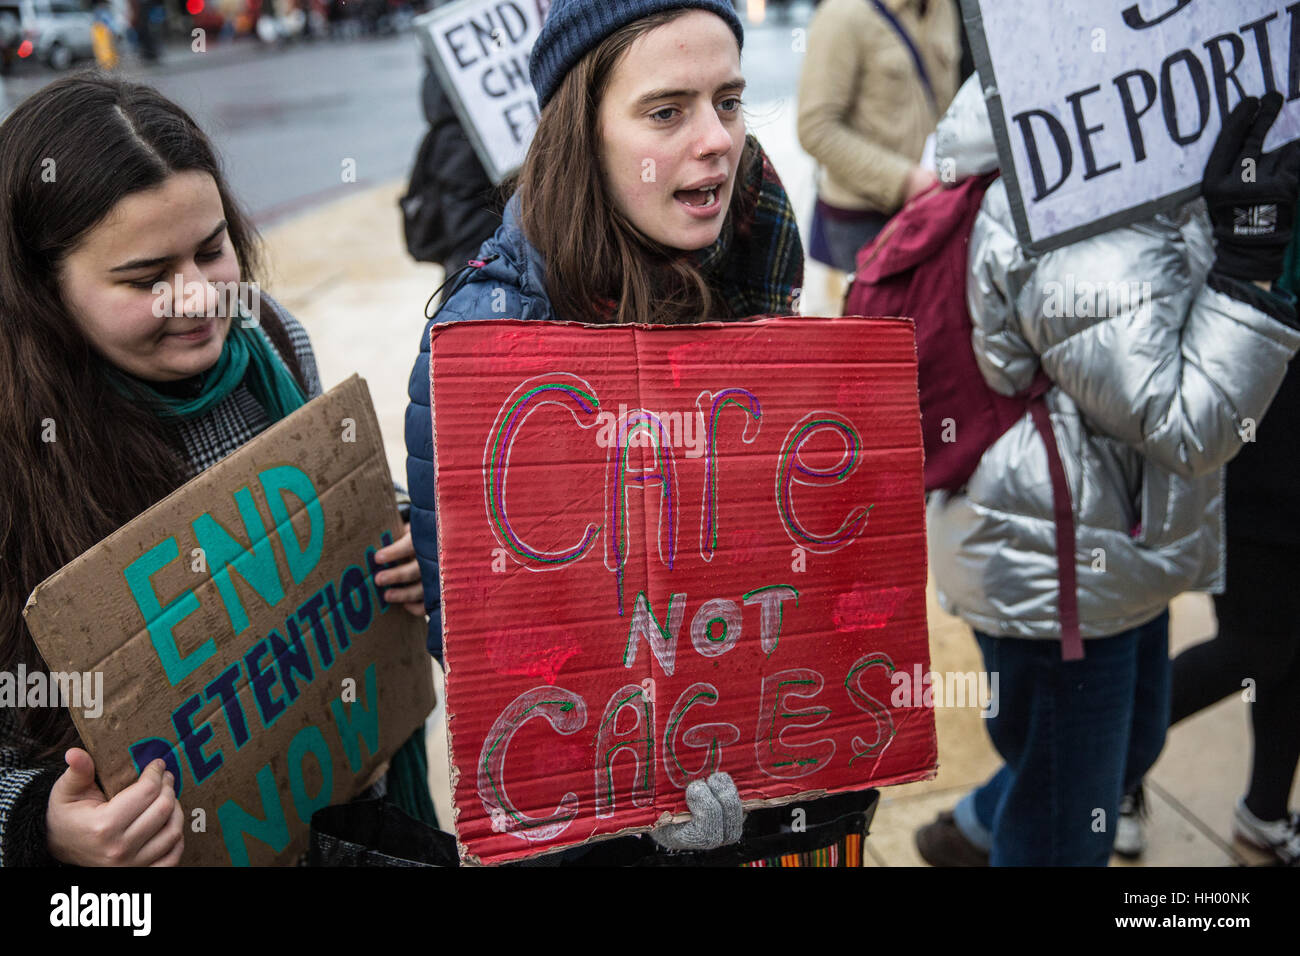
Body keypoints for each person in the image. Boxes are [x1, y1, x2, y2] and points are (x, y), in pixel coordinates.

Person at [404, 0, 804, 854]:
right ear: (580, 131)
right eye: (668, 110)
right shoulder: (486, 350)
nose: (718, 139)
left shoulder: (759, 243)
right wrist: (640, 797)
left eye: (728, 101)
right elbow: (498, 658)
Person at [0, 74, 428, 866]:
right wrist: (44, 829)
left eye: (211, 249)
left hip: (337, 823)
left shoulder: (269, 339)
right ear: (43, 287)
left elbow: (339, 492)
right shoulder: (20, 456)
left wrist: (402, 539)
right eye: (145, 277)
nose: (197, 298)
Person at [913, 80, 1300, 866]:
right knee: (1064, 826)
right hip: (1057, 570)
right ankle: (1005, 826)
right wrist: (1250, 263)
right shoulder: (1068, 196)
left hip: (1110, 546)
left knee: (1122, 745)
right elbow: (1187, 421)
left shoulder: (1115, 152)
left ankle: (984, 822)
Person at [1118, 214, 1300, 867]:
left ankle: (1266, 808)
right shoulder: (1263, 129)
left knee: (1287, 642)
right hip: (1258, 408)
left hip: (1264, 393)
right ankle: (1112, 769)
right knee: (1258, 644)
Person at [797, 0, 959, 303]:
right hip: (863, 223)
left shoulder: (943, 7)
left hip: (934, 207)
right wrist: (905, 180)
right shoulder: (841, 14)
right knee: (874, 340)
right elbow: (815, 128)